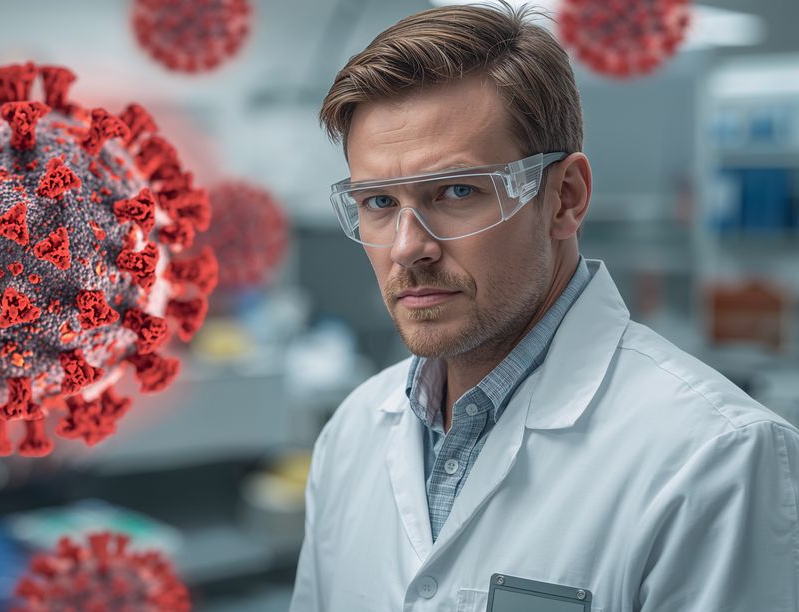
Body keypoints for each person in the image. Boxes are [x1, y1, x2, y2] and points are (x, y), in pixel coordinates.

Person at [289, 3, 799, 611]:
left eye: (457, 192)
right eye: (377, 202)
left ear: (566, 198)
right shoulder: (351, 434)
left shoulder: (717, 457)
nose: (409, 248)